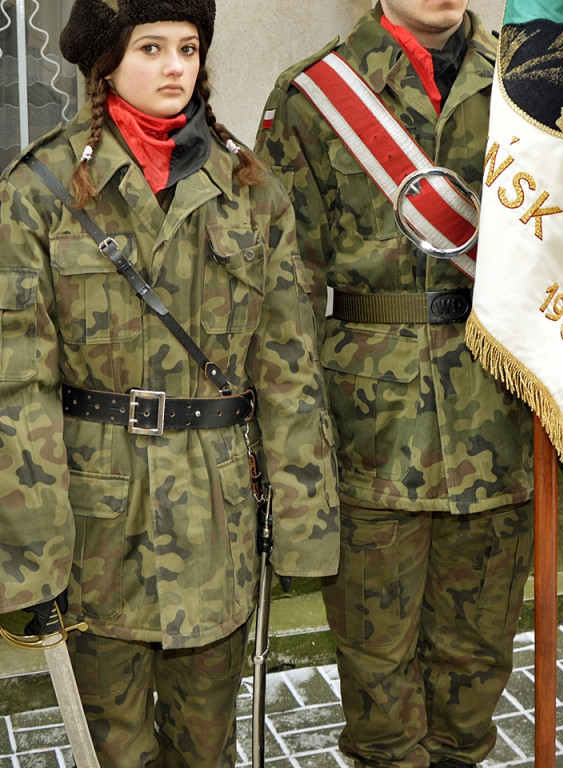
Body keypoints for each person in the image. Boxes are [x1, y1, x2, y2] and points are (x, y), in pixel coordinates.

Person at [0, 0, 342, 766]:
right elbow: (16, 385)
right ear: (106, 62)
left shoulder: (252, 190)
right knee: (114, 752)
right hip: (98, 528)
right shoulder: (41, 192)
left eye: (187, 48)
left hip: (215, 523)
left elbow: (289, 370)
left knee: (205, 749)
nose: (175, 66)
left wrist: (304, 525)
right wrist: (32, 555)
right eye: (150, 48)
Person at [254, 3, 535, 767]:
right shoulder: (316, 96)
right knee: (379, 687)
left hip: (500, 423)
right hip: (367, 436)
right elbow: (282, 297)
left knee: (477, 673)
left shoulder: (532, 82)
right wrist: (294, 454)